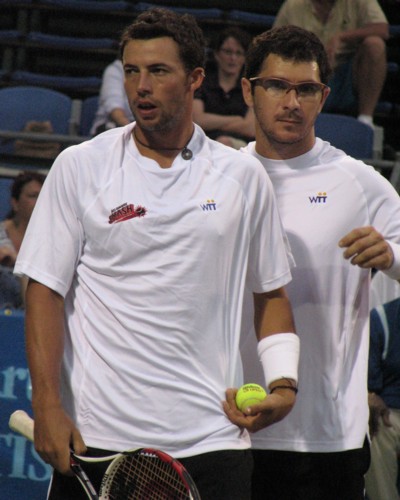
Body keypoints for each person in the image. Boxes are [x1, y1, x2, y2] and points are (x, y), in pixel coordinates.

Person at [15, 8, 300, 500]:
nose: (140, 86)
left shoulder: (244, 177)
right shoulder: (79, 167)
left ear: (194, 79)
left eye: (158, 71)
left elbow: (270, 292)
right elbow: (43, 290)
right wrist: (48, 404)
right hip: (97, 440)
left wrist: (285, 386)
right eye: (131, 71)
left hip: (213, 441)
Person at [227, 25, 400, 499]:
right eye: (277, 86)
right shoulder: (221, 182)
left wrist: (392, 256)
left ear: (323, 97)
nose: (291, 102)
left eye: (305, 89)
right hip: (232, 425)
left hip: (330, 434)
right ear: (249, 90)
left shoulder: (360, 183)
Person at [273, 0, 389, 128]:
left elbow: (382, 29)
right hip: (306, 72)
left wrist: (342, 37)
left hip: (348, 74)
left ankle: (365, 119)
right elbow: (274, 45)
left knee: (375, 44)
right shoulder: (292, 5)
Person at [193, 27, 255, 149]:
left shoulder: (249, 87)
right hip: (203, 143)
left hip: (240, 147)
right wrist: (237, 119)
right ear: (216, 54)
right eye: (228, 52)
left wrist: (211, 122)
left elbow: (250, 128)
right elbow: (197, 120)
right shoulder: (202, 83)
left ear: (244, 58)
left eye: (238, 53)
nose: (233, 58)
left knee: (224, 142)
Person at [365, 297, 400, 500]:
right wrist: (369, 396)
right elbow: (371, 385)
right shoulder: (382, 318)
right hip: (392, 411)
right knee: (375, 427)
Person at [0, 171, 45, 309]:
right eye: (33, 196)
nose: (40, 202)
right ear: (15, 203)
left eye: (43, 196)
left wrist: (16, 261)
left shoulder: (50, 242)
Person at [90, 59, 134, 136]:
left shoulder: (154, 72)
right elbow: (115, 111)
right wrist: (134, 134)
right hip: (113, 127)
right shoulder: (116, 69)